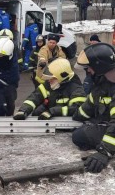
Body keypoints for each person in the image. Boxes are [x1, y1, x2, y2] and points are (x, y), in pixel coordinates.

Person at [72, 43, 115, 173]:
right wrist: (74, 114)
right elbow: (88, 107)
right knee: (80, 134)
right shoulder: (103, 82)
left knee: (81, 135)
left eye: (89, 67)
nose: (88, 71)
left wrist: (104, 151)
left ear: (100, 66)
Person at [13, 58, 86, 120]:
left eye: (52, 78)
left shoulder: (77, 89)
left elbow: (76, 109)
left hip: (67, 122)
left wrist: (52, 111)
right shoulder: (51, 84)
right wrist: (23, 110)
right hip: (50, 114)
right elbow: (35, 97)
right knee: (36, 113)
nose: (49, 80)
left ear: (62, 77)